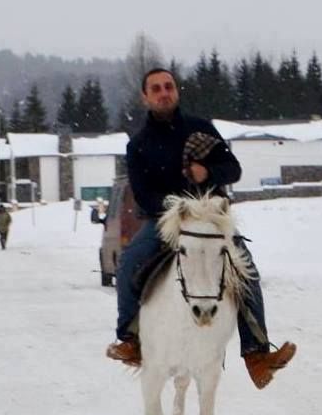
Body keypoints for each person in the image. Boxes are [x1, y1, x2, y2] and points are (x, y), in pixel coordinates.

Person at [105, 68, 296, 389]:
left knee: (245, 270)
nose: (164, 92)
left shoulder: (201, 128)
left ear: (176, 91)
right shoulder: (138, 144)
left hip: (209, 217)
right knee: (129, 262)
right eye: (156, 89)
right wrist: (175, 210)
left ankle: (256, 354)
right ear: (146, 97)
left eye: (168, 86)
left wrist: (206, 172)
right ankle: (130, 339)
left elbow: (232, 169)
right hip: (166, 220)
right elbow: (143, 194)